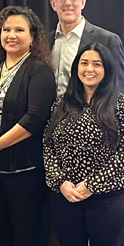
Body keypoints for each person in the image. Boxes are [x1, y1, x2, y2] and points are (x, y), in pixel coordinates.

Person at [0, 6, 56, 246]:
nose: (11, 34)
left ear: (32, 36)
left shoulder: (38, 70)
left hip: (22, 171)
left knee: (24, 235)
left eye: (19, 30)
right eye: (6, 29)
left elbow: (35, 118)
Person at [43, 43, 124, 246]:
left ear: (107, 69)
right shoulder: (62, 103)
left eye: (97, 64)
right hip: (66, 197)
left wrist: (91, 185)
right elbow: (48, 145)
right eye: (84, 63)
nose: (89, 69)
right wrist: (60, 183)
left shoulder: (119, 104)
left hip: (106, 198)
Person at [49, 0, 124, 96]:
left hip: (94, 113)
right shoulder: (45, 41)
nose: (67, 3)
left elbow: (119, 88)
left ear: (83, 1)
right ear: (53, 4)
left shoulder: (107, 40)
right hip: (50, 114)